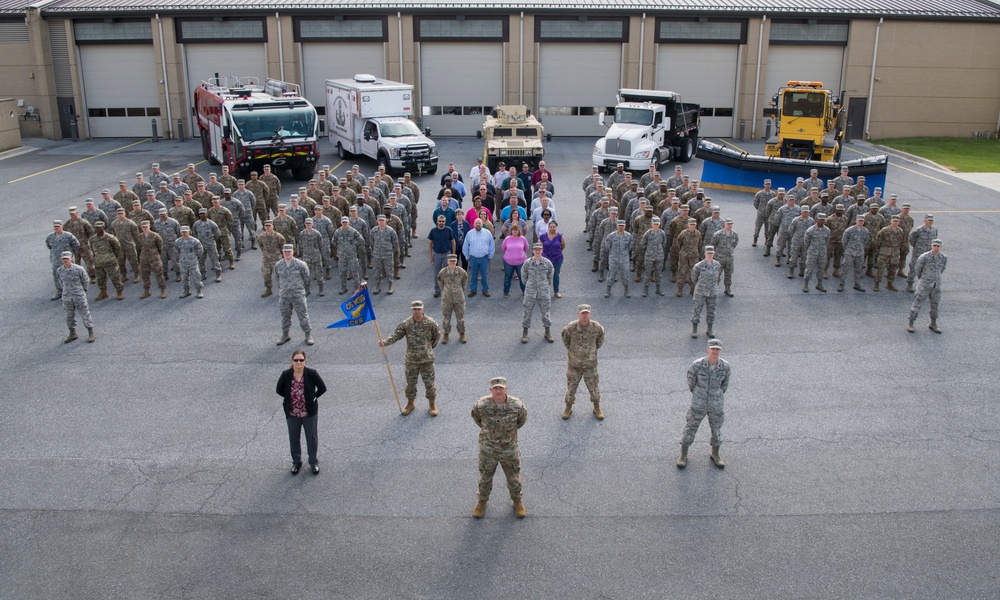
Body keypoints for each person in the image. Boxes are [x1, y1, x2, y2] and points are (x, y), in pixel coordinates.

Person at [470, 376, 527, 519]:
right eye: (495, 389)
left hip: (509, 449)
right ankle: (482, 502)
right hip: (488, 450)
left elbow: (521, 421)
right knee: (485, 478)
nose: (498, 391)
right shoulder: (481, 405)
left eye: (500, 388)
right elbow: (477, 418)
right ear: (491, 390)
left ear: (506, 389)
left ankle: (517, 501)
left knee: (513, 477)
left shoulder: (517, 405)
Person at [379, 300, 442, 416]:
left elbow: (436, 336)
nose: (417, 311)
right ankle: (410, 403)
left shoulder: (430, 323)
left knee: (429, 384)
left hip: (426, 360)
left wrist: (428, 348)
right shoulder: (406, 324)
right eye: (414, 309)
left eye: (419, 309)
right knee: (411, 384)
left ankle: (432, 404)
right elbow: (396, 335)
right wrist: (385, 342)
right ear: (412, 310)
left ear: (423, 309)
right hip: (411, 360)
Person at [677, 338, 731, 469]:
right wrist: (698, 395)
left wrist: (715, 396)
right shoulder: (697, 365)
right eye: (712, 349)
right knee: (690, 428)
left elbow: (725, 385)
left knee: (716, 429)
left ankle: (715, 454)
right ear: (707, 349)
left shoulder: (725, 366)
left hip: (716, 404)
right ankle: (683, 455)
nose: (715, 352)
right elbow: (691, 381)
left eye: (717, 350)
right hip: (699, 403)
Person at [276, 350, 327, 475]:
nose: (298, 362)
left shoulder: (311, 373)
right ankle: (296, 462)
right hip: (292, 413)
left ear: (305, 361)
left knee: (312, 438)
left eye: (301, 360)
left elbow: (322, 388)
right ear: (292, 361)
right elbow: (279, 390)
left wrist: (313, 398)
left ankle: (313, 462)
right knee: (294, 438)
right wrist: (290, 399)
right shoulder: (286, 374)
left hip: (309, 413)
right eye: (296, 360)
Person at [561, 304, 606, 420]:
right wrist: (574, 352)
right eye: (582, 313)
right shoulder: (570, 328)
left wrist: (591, 351)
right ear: (578, 314)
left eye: (586, 313)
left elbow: (600, 340)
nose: (584, 316)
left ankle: (597, 407)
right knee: (571, 387)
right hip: (574, 365)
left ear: (590, 314)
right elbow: (566, 340)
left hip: (590, 365)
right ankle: (568, 407)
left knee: (594, 388)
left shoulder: (597, 327)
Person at [274, 244, 313, 346]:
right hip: (284, 295)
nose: (287, 253)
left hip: (297, 294)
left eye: (289, 251)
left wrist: (301, 290)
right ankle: (285, 334)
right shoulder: (278, 265)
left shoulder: (300, 264)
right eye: (285, 252)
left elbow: (307, 278)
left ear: (293, 252)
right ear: (282, 252)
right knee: (285, 316)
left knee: (303, 315)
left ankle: (308, 335)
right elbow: (277, 277)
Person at [908, 239, 947, 333]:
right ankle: (911, 322)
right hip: (924, 284)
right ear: (931, 246)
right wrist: (924, 279)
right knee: (917, 303)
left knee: (935, 305)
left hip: (936, 285)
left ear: (941, 247)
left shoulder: (943, 257)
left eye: (938, 246)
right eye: (935, 246)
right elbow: (918, 269)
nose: (936, 248)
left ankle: (933, 323)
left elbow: (942, 269)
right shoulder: (924, 257)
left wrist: (935, 278)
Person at [56, 252, 95, 343]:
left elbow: (86, 281)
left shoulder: (79, 269)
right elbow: (61, 282)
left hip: (79, 296)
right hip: (67, 297)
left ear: (71, 259)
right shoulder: (59, 270)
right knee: (69, 316)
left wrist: (82, 291)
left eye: (67, 258)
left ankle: (91, 332)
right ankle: (72, 333)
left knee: (85, 314)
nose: (65, 260)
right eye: (63, 259)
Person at [521, 243, 555, 343]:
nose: (537, 251)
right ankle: (525, 332)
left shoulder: (547, 263)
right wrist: (529, 285)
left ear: (542, 250)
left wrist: (545, 285)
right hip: (530, 291)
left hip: (543, 291)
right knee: (527, 312)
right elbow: (523, 276)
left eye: (539, 249)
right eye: (536, 249)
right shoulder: (527, 263)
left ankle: (547, 332)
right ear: (533, 251)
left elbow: (550, 275)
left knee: (546, 313)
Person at [690, 246, 722, 338]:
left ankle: (709, 329)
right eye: (708, 253)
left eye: (711, 253)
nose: (710, 255)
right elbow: (694, 278)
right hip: (701, 291)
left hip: (713, 291)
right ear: (704, 254)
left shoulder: (717, 264)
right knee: (697, 310)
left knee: (711, 311)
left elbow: (718, 277)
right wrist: (701, 286)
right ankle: (694, 329)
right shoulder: (698, 266)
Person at [437, 254, 469, 344]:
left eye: (454, 261)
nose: (452, 263)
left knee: (460, 317)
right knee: (446, 318)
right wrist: (444, 290)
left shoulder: (461, 272)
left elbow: (465, 280)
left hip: (458, 298)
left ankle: (462, 334)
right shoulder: (443, 272)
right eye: (450, 261)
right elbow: (439, 280)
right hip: (447, 298)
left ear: (456, 262)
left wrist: (461, 290)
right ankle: (446, 334)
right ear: (447, 262)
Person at [46, 220, 80, 300]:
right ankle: (59, 292)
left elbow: (76, 244)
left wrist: (70, 254)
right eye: (55, 227)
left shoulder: (68, 236)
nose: (56, 228)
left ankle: (73, 292)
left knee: (70, 276)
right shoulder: (50, 237)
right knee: (56, 276)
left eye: (58, 226)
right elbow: (48, 245)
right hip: (56, 261)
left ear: (62, 226)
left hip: (67, 261)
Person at [90, 221, 123, 301]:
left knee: (115, 278)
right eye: (96, 228)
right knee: (100, 279)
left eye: (99, 227)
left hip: (110, 262)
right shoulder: (93, 239)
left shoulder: (110, 238)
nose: (97, 229)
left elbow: (117, 248)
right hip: (99, 262)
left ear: (103, 228)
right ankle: (103, 292)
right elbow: (92, 250)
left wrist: (113, 257)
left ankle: (119, 292)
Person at [463, 218, 495, 297]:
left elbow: (492, 245)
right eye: (476, 223)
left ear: (482, 224)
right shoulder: (469, 234)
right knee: (473, 275)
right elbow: (465, 246)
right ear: (474, 224)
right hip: (473, 258)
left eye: (479, 223)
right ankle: (473, 290)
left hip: (484, 258)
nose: (478, 225)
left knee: (484, 275)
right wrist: (467, 256)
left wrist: (490, 255)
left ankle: (485, 290)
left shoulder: (487, 233)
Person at [602, 220, 634, 298]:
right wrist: (613, 253)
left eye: (622, 226)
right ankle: (608, 290)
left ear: (625, 226)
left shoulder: (628, 236)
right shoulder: (611, 236)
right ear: (617, 226)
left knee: (625, 275)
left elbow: (630, 246)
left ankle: (626, 290)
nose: (621, 227)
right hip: (613, 259)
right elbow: (607, 246)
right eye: (619, 226)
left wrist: (625, 253)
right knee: (611, 275)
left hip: (624, 259)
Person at [428, 215, 457, 298]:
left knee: (449, 273)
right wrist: (431, 256)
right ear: (437, 221)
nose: (441, 223)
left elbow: (453, 242)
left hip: (447, 254)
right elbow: (430, 243)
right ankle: (437, 290)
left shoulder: (449, 230)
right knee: (437, 274)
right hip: (437, 254)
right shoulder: (433, 231)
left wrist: (453, 255)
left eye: (443, 221)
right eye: (440, 221)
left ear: (445, 222)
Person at [137, 220, 167, 299]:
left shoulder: (155, 236)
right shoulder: (140, 236)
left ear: (149, 226)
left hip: (154, 257)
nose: (144, 228)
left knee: (158, 273)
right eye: (143, 227)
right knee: (145, 275)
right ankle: (147, 291)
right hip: (144, 258)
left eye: (146, 227)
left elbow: (160, 246)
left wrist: (157, 254)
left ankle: (162, 290)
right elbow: (139, 247)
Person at [802, 214, 830, 293]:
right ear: (817, 219)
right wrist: (811, 249)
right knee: (809, 268)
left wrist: (823, 249)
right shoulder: (810, 230)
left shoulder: (827, 230)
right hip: (812, 251)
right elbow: (806, 242)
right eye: (820, 219)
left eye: (823, 220)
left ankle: (819, 284)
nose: (822, 221)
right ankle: (806, 284)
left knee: (821, 268)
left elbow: (827, 241)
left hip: (822, 252)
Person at [839, 216, 869, 293]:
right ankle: (841, 284)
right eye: (859, 221)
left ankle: (857, 284)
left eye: (862, 221)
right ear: (856, 221)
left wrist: (860, 249)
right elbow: (844, 241)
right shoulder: (849, 230)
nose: (860, 222)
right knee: (845, 269)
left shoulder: (865, 231)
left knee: (858, 270)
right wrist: (847, 250)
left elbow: (865, 241)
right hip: (850, 252)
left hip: (859, 253)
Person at [175, 225, 204, 299]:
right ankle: (186, 291)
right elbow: (177, 251)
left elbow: (200, 251)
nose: (184, 233)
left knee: (196, 277)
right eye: (182, 232)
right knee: (184, 278)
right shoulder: (178, 241)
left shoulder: (194, 241)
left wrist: (195, 258)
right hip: (183, 262)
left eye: (185, 232)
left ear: (188, 232)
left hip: (192, 262)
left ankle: (199, 291)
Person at [501, 224, 529, 297]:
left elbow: (526, 248)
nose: (515, 231)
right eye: (513, 230)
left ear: (519, 231)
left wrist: (520, 255)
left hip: (520, 262)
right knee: (508, 277)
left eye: (516, 230)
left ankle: (524, 291)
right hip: (508, 262)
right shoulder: (507, 239)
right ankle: (506, 292)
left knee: (522, 277)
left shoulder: (523, 239)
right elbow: (503, 248)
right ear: (511, 231)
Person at [540, 220, 566, 298]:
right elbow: (540, 247)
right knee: (545, 275)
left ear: (556, 227)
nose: (552, 228)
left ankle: (556, 291)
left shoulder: (560, 236)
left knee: (556, 275)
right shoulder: (543, 236)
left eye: (554, 227)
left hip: (557, 258)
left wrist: (557, 252)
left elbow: (563, 245)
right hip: (545, 258)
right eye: (550, 227)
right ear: (548, 228)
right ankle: (545, 291)